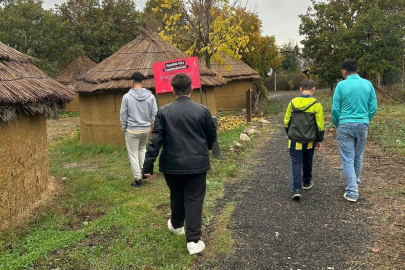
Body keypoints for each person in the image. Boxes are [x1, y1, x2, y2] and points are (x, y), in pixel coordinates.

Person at [142, 73, 217, 255]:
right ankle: (192, 240)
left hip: (171, 165)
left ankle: (176, 226)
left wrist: (148, 165)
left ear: (173, 90)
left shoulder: (163, 112)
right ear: (191, 89)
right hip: (197, 164)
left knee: (176, 195)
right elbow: (211, 135)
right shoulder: (203, 111)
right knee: (193, 199)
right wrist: (206, 147)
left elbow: (155, 140)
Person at [332, 59, 377, 202]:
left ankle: (352, 192)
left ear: (344, 72)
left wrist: (336, 122)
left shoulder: (341, 85)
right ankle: (354, 182)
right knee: (358, 157)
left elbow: (335, 108)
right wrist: (366, 119)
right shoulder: (368, 84)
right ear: (357, 70)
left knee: (347, 159)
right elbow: (373, 106)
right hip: (362, 124)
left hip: (344, 124)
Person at [284, 79, 324, 200]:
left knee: (296, 162)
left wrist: (290, 133)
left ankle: (296, 188)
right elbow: (320, 124)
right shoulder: (316, 104)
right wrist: (319, 139)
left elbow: (286, 121)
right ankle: (306, 182)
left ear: (300, 89)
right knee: (308, 160)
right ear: (313, 89)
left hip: (295, 139)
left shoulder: (292, 103)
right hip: (310, 140)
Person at [120, 72, 157, 187]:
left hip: (132, 130)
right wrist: (155, 127)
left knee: (133, 154)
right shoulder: (151, 96)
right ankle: (145, 172)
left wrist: (124, 128)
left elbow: (123, 114)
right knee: (142, 150)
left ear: (132, 82)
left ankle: (137, 179)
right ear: (143, 81)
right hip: (146, 129)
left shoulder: (126, 97)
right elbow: (155, 113)